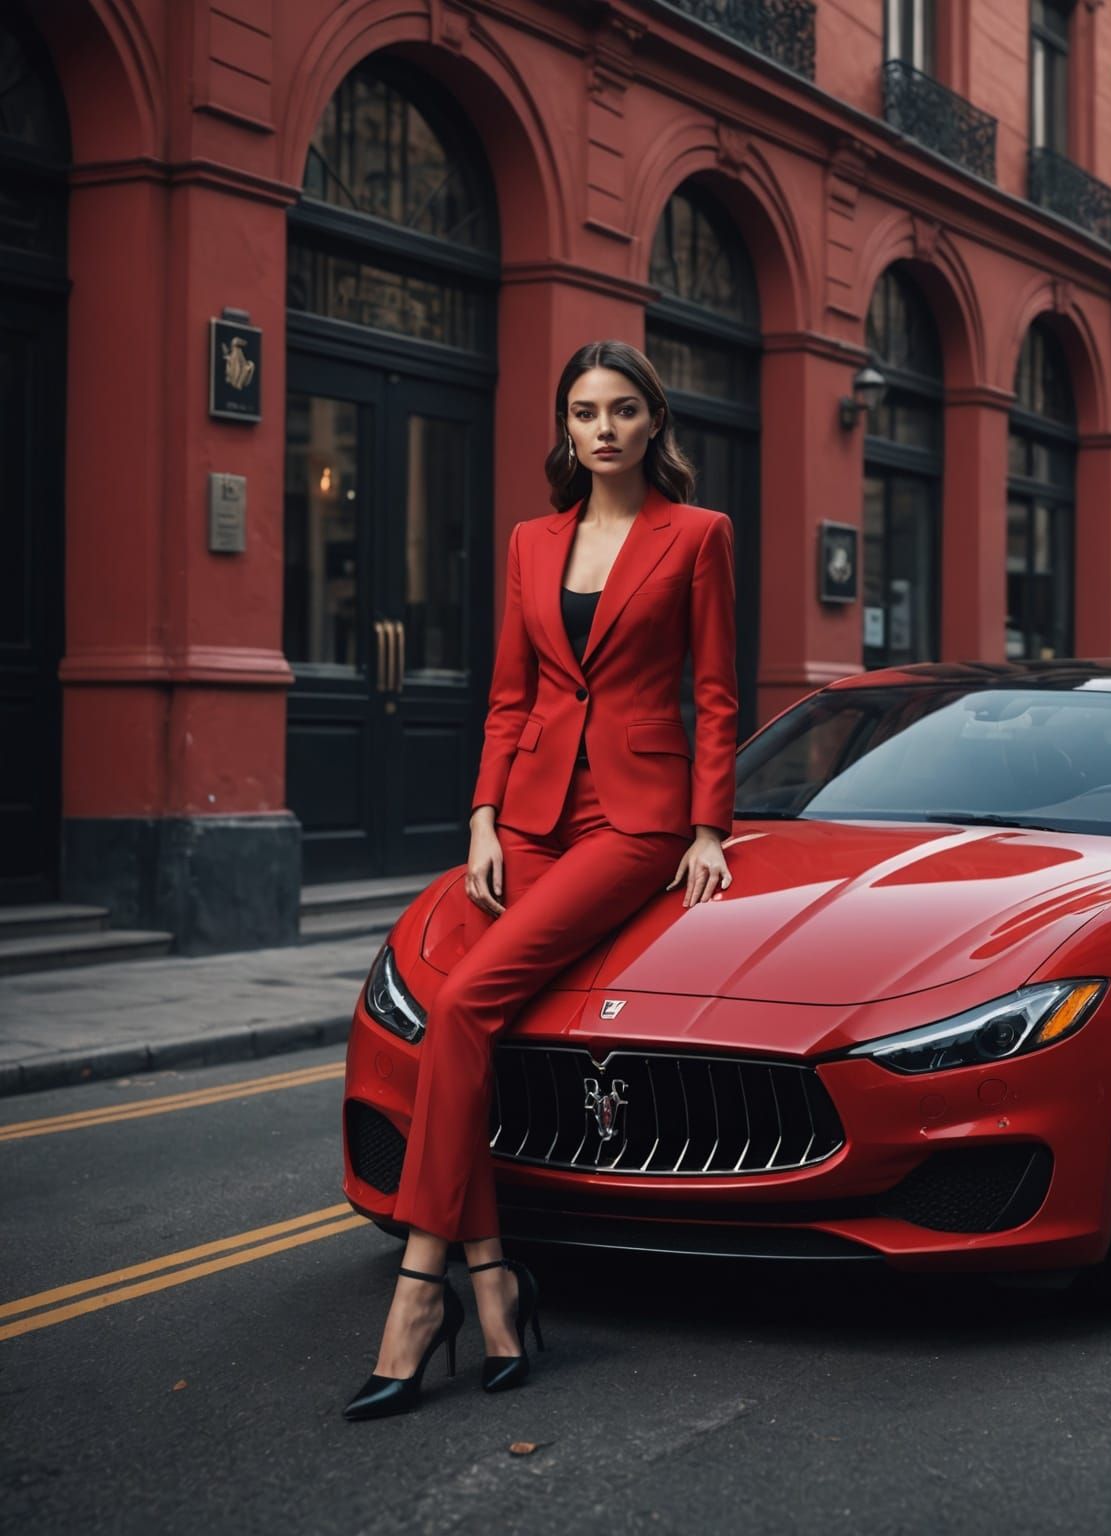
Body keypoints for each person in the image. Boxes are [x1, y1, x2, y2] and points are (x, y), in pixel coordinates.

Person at [344, 339, 738, 1420]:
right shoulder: (530, 544)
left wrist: (708, 825)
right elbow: (509, 696)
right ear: (564, 430)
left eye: (620, 410)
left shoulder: (698, 536)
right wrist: (480, 814)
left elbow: (713, 692)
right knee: (450, 1020)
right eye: (582, 413)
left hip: (634, 820)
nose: (601, 429)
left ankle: (421, 1297)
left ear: (653, 422)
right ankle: (497, 1286)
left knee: (468, 1004)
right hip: (526, 817)